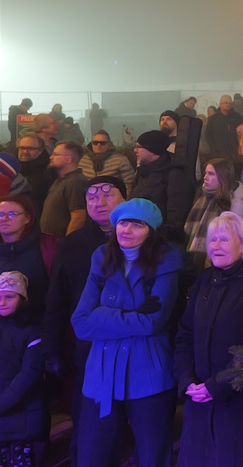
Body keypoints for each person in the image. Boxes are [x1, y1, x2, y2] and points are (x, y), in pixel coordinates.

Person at [70, 198, 183, 467]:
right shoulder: (101, 257)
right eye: (122, 223)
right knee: (93, 454)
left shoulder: (166, 261)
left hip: (148, 371)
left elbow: (152, 323)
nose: (127, 230)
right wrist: (133, 315)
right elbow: (81, 322)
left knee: (152, 455)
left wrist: (102, 315)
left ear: (151, 231)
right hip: (101, 371)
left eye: (137, 225)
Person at [174, 212, 243, 467]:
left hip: (241, 403)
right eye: (212, 240)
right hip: (200, 399)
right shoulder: (204, 280)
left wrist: (218, 386)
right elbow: (185, 334)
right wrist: (187, 380)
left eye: (224, 239)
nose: (216, 246)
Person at [40, 176, 125, 466]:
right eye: (91, 198)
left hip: (135, 350)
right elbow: (57, 300)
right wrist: (51, 350)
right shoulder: (73, 244)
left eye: (108, 195)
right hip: (87, 351)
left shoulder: (145, 240)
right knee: (88, 432)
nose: (99, 203)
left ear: (125, 199)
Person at [0, 271, 48, 467]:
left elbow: (30, 373)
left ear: (22, 298)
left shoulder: (32, 329)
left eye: (9, 296)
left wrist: (2, 403)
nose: (2, 302)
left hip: (23, 420)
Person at [0, 194, 58, 320]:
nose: (4, 219)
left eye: (12, 214)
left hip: (38, 321)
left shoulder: (47, 246)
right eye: (0, 214)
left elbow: (59, 291)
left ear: (27, 218)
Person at [184, 159, 243, 266]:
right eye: (205, 173)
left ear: (223, 177)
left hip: (220, 263)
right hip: (197, 261)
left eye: (211, 174)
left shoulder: (234, 204)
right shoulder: (202, 198)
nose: (205, 177)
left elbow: (240, 241)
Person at [39, 141, 88, 238]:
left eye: (56, 154)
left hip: (61, 242)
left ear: (68, 159)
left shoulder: (75, 181)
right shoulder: (60, 180)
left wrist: (67, 243)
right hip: (51, 241)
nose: (51, 157)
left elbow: (79, 216)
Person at [78, 131, 135, 196]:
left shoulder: (120, 160)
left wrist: (125, 199)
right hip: (89, 197)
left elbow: (129, 182)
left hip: (111, 198)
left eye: (102, 143)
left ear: (109, 144)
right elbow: (79, 182)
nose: (98, 145)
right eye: (95, 143)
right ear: (91, 144)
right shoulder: (84, 159)